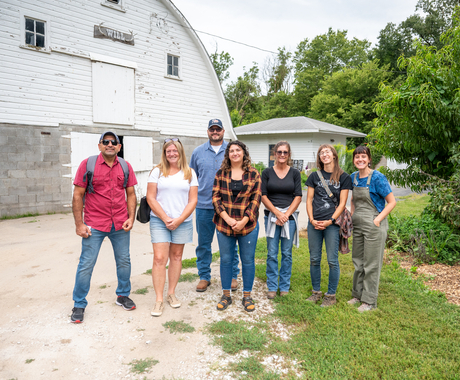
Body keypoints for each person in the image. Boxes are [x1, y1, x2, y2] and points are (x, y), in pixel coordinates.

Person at [71, 131, 137, 323]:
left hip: (120, 223)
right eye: (105, 141)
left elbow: (131, 194)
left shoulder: (125, 166)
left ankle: (123, 295)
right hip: (95, 224)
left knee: (124, 261)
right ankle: (79, 304)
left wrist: (131, 217)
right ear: (99, 145)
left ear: (119, 147)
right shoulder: (88, 164)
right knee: (86, 264)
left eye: (113, 142)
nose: (109, 144)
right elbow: (78, 195)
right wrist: (79, 224)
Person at [147, 138, 198, 317]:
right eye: (168, 151)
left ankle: (171, 294)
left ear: (180, 152)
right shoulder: (157, 172)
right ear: (164, 153)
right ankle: (159, 299)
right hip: (160, 220)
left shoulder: (189, 172)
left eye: (174, 151)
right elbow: (151, 198)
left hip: (182, 222)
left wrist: (179, 219)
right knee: (160, 258)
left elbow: (193, 200)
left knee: (176, 257)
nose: (172, 154)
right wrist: (166, 218)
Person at [189, 119, 239, 293]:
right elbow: (192, 179)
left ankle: (233, 275)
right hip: (204, 205)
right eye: (212, 129)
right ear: (208, 131)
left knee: (231, 243)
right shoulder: (197, 152)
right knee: (204, 244)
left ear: (224, 131)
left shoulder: (232, 151)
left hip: (228, 207)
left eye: (218, 129)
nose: (215, 132)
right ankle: (204, 276)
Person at [212, 141, 261, 312]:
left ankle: (247, 296)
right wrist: (227, 219)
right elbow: (216, 198)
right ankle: (226, 295)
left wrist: (243, 221)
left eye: (237, 150)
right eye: (231, 151)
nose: (234, 153)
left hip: (247, 226)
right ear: (228, 154)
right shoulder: (221, 173)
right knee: (226, 260)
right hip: (225, 225)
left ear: (243, 153)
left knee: (247, 260)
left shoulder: (254, 173)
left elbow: (256, 199)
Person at [348, 146, 396, 312]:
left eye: (363, 156)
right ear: (354, 160)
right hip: (358, 224)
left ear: (369, 159)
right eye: (357, 157)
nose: (360, 160)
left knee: (371, 263)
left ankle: (369, 301)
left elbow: (392, 202)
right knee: (358, 261)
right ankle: (357, 294)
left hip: (374, 224)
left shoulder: (377, 178)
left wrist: (377, 220)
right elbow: (353, 200)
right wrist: (352, 216)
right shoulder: (353, 177)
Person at [306, 144, 352, 307]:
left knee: (332, 260)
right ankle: (316, 292)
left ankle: (330, 295)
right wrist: (311, 220)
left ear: (334, 156)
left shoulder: (344, 177)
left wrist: (331, 221)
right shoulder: (314, 176)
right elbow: (309, 199)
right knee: (314, 259)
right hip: (314, 223)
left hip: (332, 224)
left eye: (327, 152)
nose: (324, 155)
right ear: (319, 158)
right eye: (321, 153)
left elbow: (342, 204)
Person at [261, 141, 302, 299]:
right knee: (272, 253)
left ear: (289, 154)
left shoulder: (295, 173)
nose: (282, 155)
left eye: (285, 152)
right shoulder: (267, 173)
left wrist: (285, 215)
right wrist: (277, 213)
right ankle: (272, 285)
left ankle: (284, 285)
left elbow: (298, 196)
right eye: (279, 152)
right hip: (271, 216)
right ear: (274, 154)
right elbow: (263, 196)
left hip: (289, 218)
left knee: (286, 253)